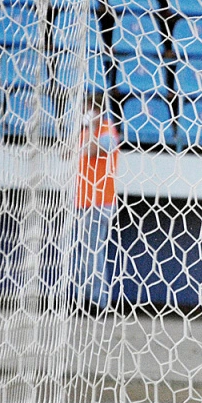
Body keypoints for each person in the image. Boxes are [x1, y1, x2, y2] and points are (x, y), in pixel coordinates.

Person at [74, 93, 119, 310]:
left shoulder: (107, 130)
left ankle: (98, 301)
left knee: (94, 252)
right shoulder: (84, 133)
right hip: (82, 200)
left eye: (87, 108)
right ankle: (83, 297)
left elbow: (95, 150)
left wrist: (91, 126)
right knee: (82, 253)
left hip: (100, 201)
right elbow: (67, 154)